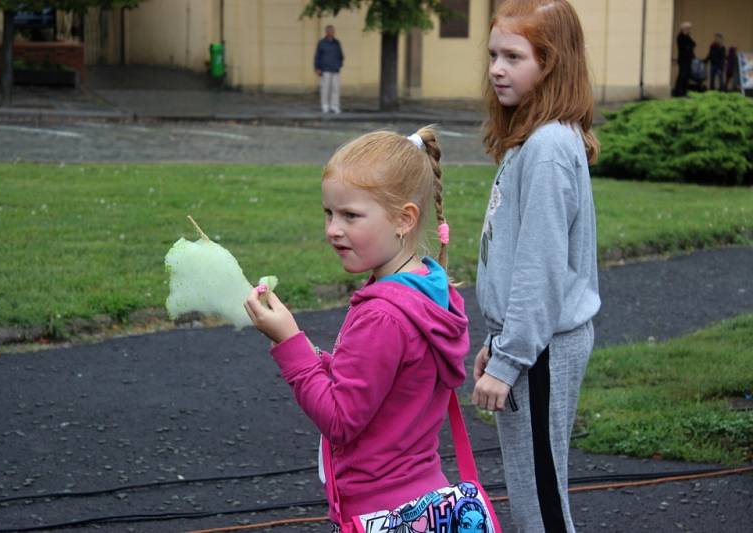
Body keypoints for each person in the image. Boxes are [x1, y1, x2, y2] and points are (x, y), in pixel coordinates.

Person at [244, 127, 470, 529]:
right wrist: (319, 359)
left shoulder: (382, 315)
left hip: (380, 511)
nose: (333, 229)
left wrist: (289, 344)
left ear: (404, 219)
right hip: (424, 498)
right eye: (329, 213)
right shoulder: (430, 289)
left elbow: (341, 419)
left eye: (350, 215)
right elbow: (387, 382)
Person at [471, 1, 601, 532]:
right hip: (528, 342)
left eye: (513, 56)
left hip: (542, 348)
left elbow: (540, 271)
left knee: (541, 503)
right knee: (531, 494)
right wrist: (499, 339)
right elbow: (516, 261)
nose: (497, 68)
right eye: (493, 54)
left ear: (551, 64)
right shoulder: (533, 140)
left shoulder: (547, 148)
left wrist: (510, 359)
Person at [314, 25, 344, 114]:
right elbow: (317, 56)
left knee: (335, 89)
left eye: (333, 31)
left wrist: (339, 65)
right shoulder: (321, 43)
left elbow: (341, 55)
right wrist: (317, 68)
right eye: (330, 31)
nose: (332, 33)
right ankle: (325, 106)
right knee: (325, 89)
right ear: (326, 32)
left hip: (335, 69)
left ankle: (335, 106)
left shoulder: (337, 43)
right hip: (325, 69)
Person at [674, 21, 696, 96]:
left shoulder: (687, 37)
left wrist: (690, 37)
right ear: (683, 29)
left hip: (688, 60)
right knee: (682, 75)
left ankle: (684, 92)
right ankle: (678, 92)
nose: (689, 30)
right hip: (683, 59)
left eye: (690, 29)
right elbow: (685, 48)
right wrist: (689, 46)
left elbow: (693, 44)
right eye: (688, 28)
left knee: (687, 76)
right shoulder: (680, 37)